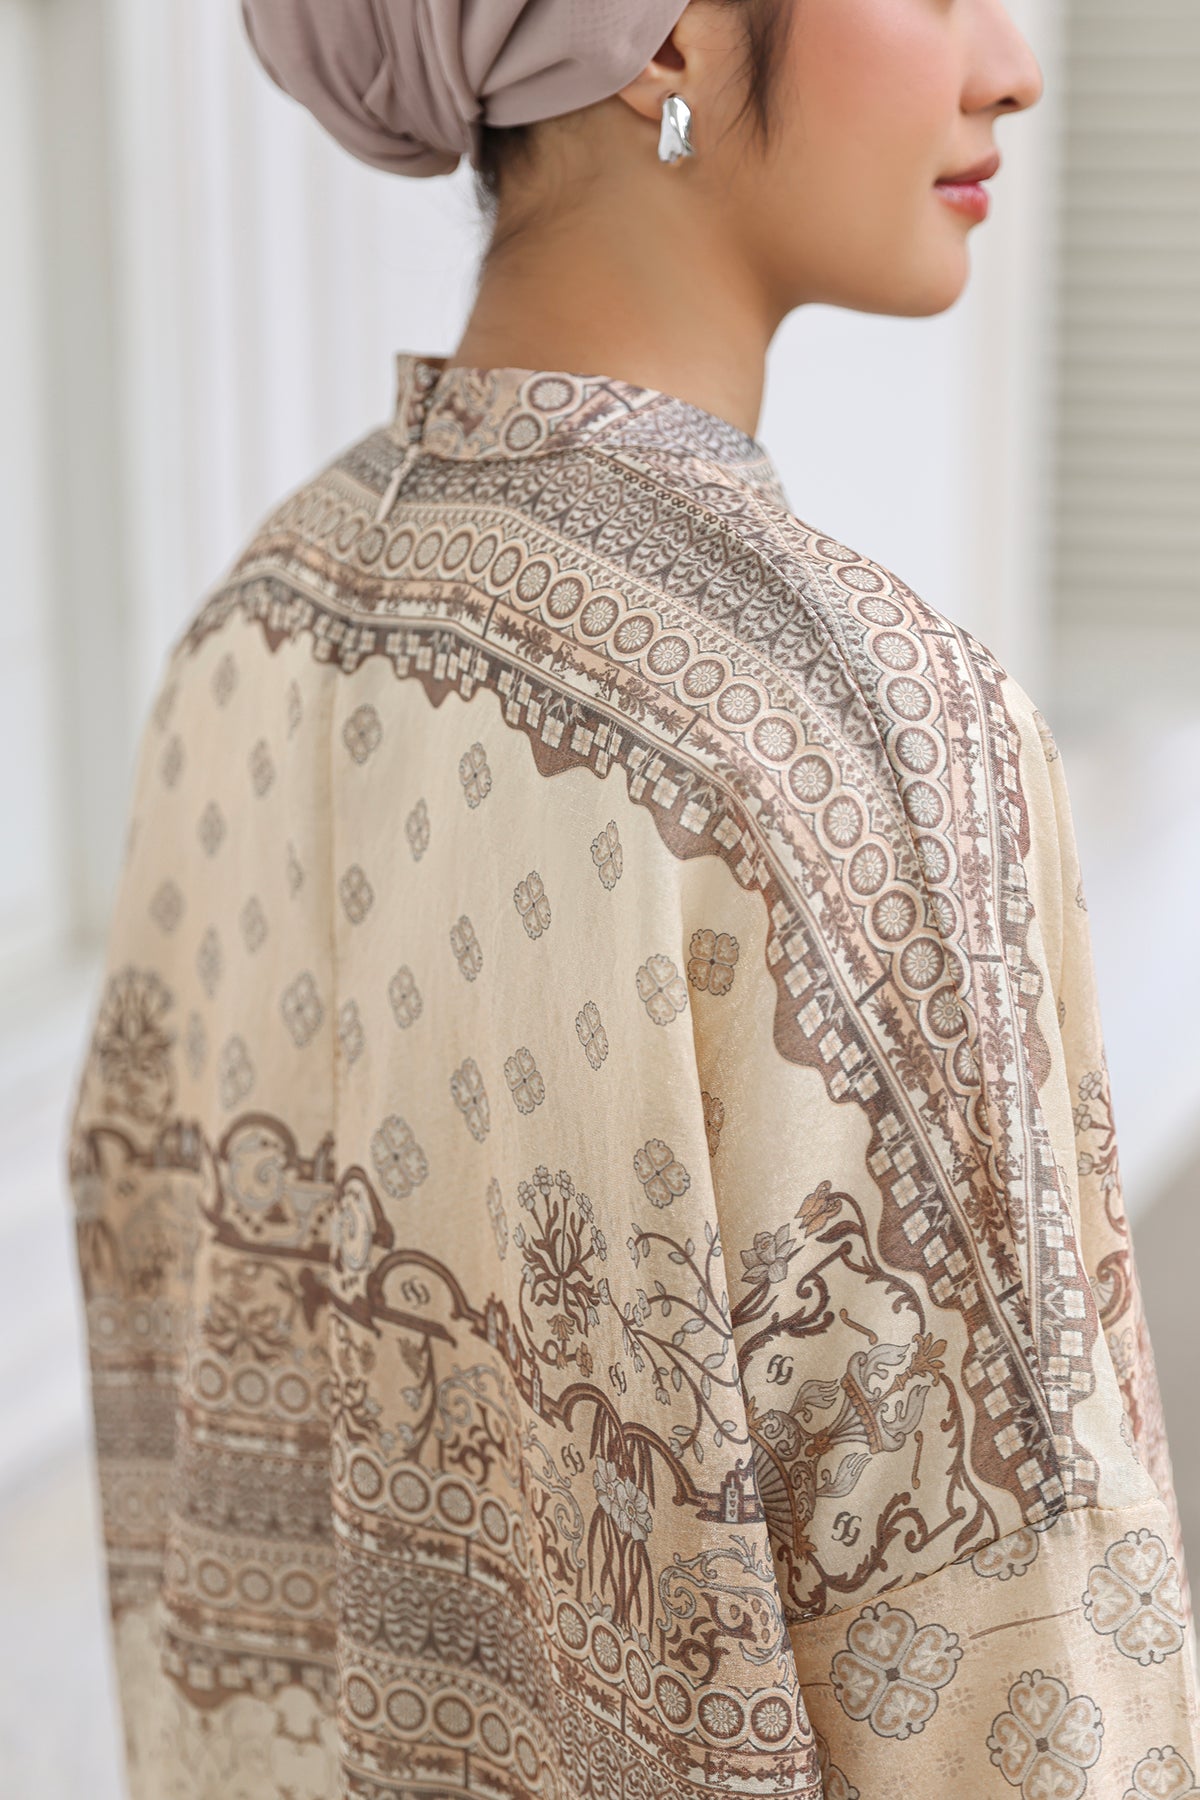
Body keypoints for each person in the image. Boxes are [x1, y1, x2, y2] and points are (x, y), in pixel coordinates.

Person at [65, 2, 1199, 1796]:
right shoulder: (851, 736)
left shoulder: (250, 634)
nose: (1011, 62)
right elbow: (1024, 1689)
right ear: (663, 39)